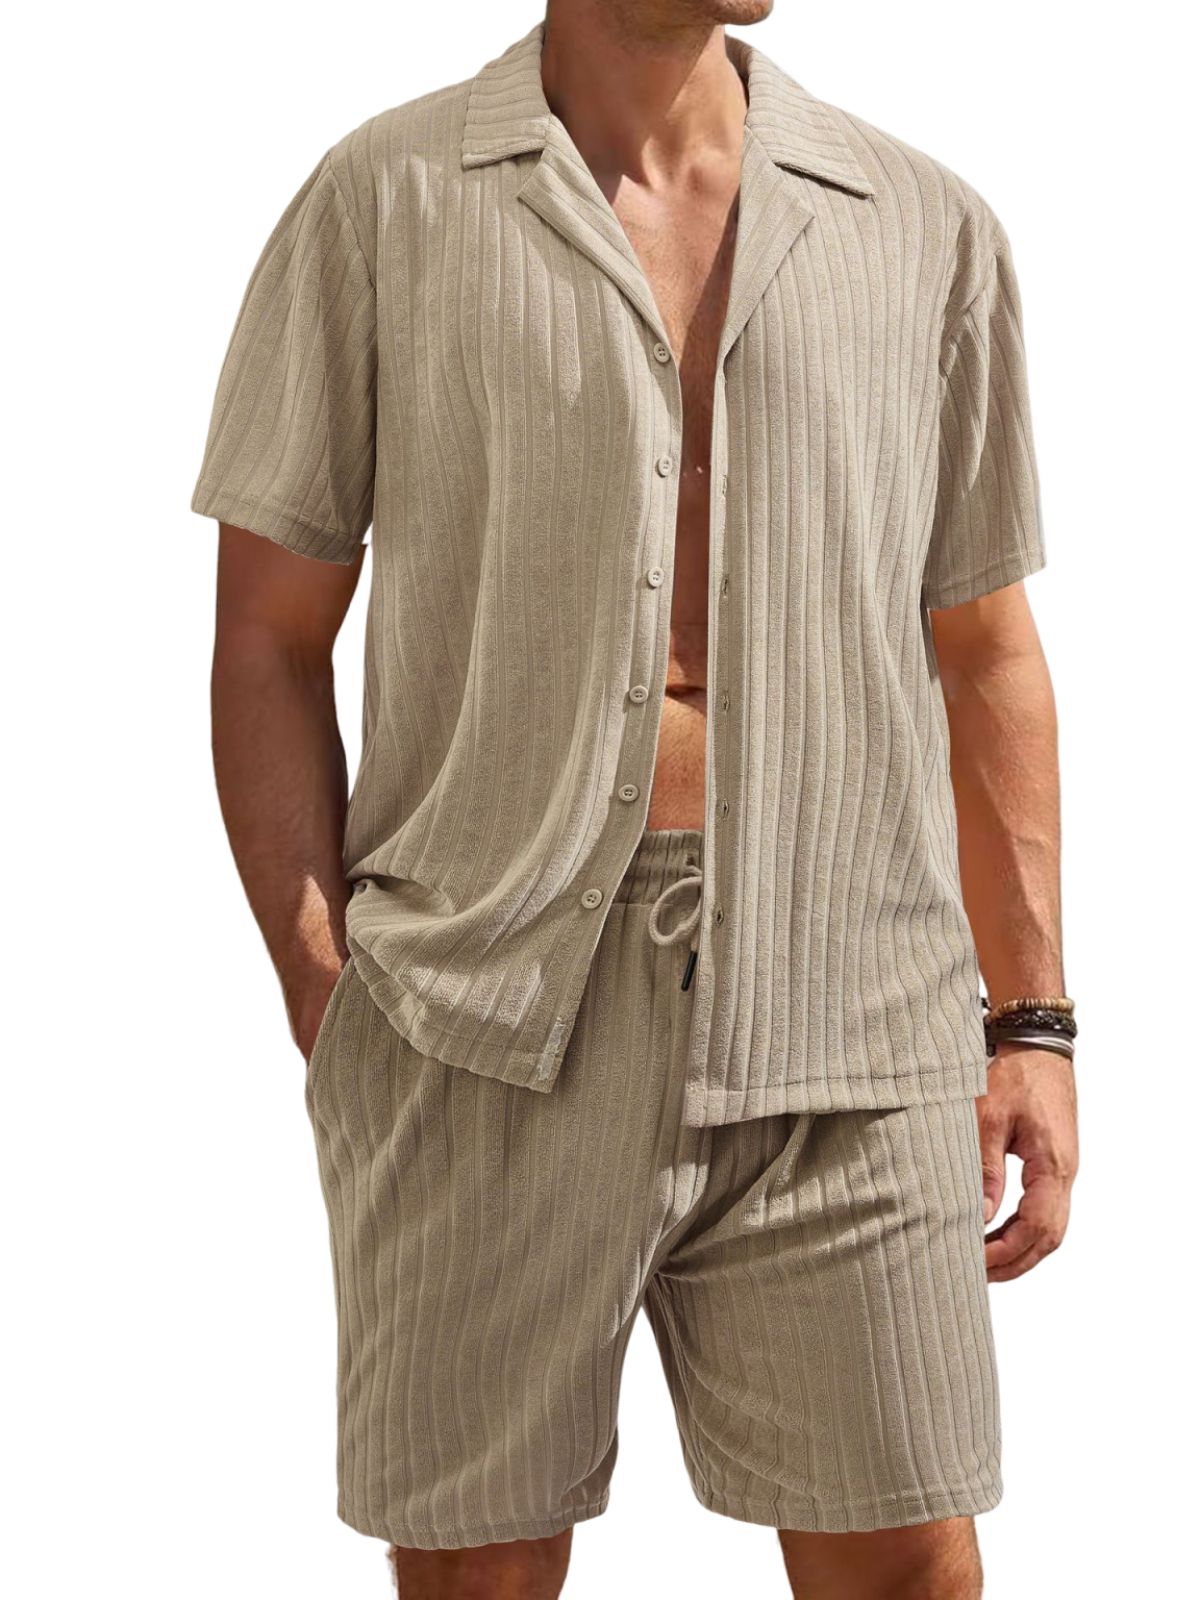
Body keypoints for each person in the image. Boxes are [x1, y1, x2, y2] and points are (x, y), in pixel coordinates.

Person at [191, 3, 1079, 1595]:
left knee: (912, 1570)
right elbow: (268, 637)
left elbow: (989, 646)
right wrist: (333, 990)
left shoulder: (922, 224)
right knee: (478, 1577)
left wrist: (1035, 1024)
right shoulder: (383, 202)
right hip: (480, 1012)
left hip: (854, 1010)